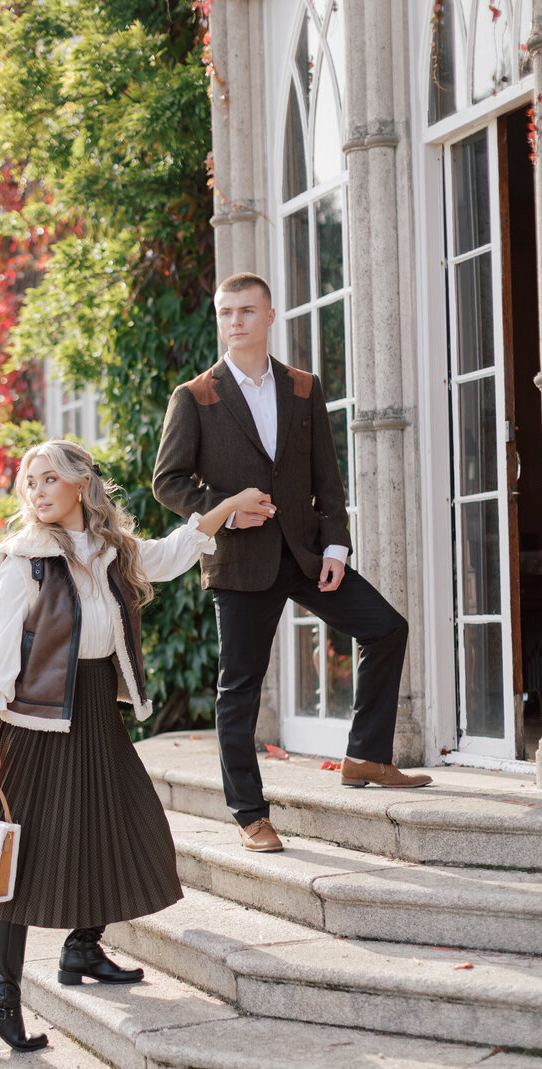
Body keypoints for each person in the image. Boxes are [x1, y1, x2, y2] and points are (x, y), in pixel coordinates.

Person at [0, 438, 271, 1051]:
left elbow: (174, 552)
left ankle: (81, 949)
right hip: (35, 721)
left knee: (118, 823)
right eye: (31, 482)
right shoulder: (24, 558)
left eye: (50, 479)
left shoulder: (110, 550)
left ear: (80, 484)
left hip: (99, 710)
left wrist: (227, 505)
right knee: (19, 863)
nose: (39, 491)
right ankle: (0, 996)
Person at [152, 272, 431, 855]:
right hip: (240, 563)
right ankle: (250, 813)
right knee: (241, 691)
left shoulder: (303, 387)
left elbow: (326, 476)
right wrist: (225, 510)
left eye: (246, 311)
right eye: (226, 312)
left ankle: (365, 757)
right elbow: (168, 483)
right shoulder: (196, 395)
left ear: (270, 315)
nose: (234, 321)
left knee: (386, 629)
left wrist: (335, 545)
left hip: (305, 555)